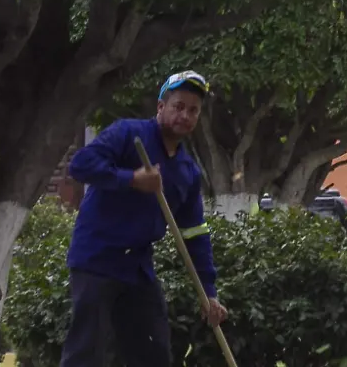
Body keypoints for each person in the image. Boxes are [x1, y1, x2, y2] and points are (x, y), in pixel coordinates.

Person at [61, 70, 228, 367]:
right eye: (178, 106)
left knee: (153, 352)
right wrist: (130, 179)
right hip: (97, 260)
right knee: (87, 353)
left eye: (193, 110)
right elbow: (81, 165)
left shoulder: (187, 171)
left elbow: (194, 234)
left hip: (137, 268)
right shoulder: (128, 133)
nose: (185, 115)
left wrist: (209, 293)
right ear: (161, 107)